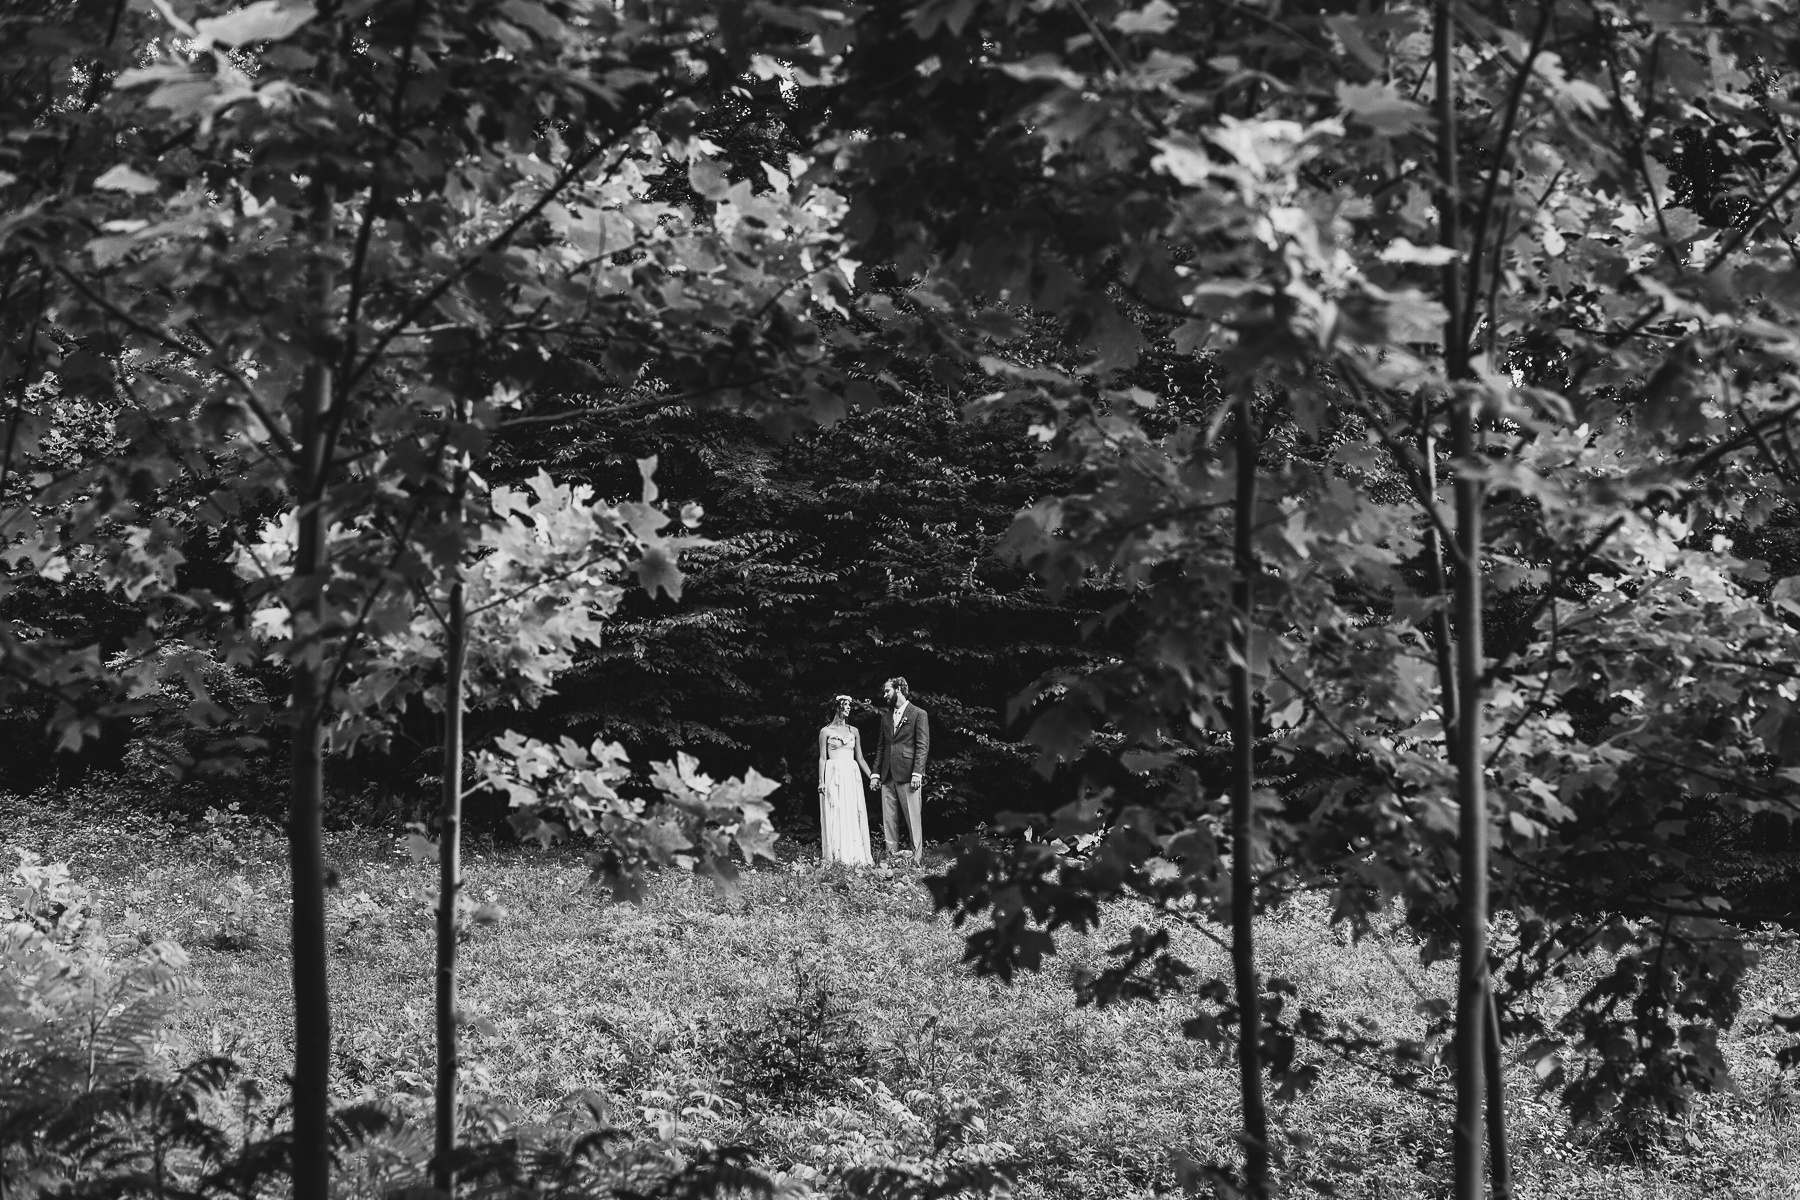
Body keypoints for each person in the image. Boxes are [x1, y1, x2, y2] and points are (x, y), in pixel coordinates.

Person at [871, 677, 928, 861]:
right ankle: (891, 860)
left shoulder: (918, 714)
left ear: (899, 689)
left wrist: (917, 773)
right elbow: (881, 747)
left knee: (913, 819)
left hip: (909, 775)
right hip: (887, 775)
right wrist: (875, 773)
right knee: (889, 820)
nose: (885, 695)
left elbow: (922, 746)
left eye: (887, 690)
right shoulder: (886, 717)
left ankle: (916, 861)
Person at [817, 694, 874, 866]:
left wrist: (872, 777)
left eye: (849, 705)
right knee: (836, 811)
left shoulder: (853, 731)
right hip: (833, 773)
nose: (849, 707)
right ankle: (837, 853)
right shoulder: (825, 731)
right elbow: (822, 758)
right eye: (845, 704)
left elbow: (860, 758)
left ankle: (854, 853)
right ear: (837, 707)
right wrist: (821, 781)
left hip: (851, 774)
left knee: (852, 810)